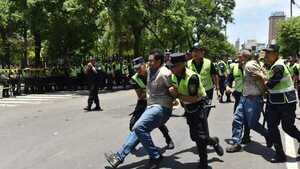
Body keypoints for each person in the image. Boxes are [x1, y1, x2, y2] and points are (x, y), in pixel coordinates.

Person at [105, 49, 174, 169]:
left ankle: (156, 156)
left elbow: (174, 91)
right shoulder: (148, 71)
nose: (149, 62)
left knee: (139, 127)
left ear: (158, 61)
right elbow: (142, 79)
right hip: (150, 106)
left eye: (151, 61)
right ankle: (118, 158)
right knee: (136, 130)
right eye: (148, 61)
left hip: (162, 107)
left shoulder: (165, 73)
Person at [168, 53, 223, 169]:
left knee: (201, 137)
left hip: (198, 106)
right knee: (195, 136)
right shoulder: (174, 75)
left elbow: (193, 98)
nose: (171, 68)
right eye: (170, 66)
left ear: (182, 65)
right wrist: (173, 95)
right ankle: (213, 141)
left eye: (173, 66)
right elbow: (177, 90)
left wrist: (176, 95)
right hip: (188, 108)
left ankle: (203, 163)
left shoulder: (192, 77)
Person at [254, 44, 300, 162]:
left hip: (286, 102)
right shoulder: (271, 66)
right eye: (266, 52)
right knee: (272, 127)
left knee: (288, 127)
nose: (266, 55)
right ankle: (280, 154)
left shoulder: (278, 66)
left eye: (269, 53)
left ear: (276, 54)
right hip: (274, 102)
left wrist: (261, 77)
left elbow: (270, 85)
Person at [226, 50, 271, 153]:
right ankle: (236, 142)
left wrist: (264, 91)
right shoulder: (244, 65)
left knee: (252, 124)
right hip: (244, 97)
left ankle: (268, 135)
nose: (237, 57)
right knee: (237, 119)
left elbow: (264, 78)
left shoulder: (250, 65)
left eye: (239, 55)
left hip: (253, 99)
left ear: (244, 57)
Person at [129, 56, 174, 149]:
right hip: (144, 101)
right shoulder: (134, 79)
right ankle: (134, 142)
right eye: (135, 69)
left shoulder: (153, 71)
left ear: (144, 65)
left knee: (158, 121)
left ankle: (168, 139)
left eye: (139, 67)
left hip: (157, 101)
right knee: (133, 124)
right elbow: (140, 96)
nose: (138, 70)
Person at [225, 53, 251, 144]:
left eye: (241, 57)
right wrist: (227, 86)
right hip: (238, 95)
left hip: (249, 96)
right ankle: (236, 139)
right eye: (239, 57)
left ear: (246, 58)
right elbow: (229, 78)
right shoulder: (235, 67)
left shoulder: (250, 67)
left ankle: (247, 136)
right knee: (237, 117)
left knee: (248, 118)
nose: (239, 59)